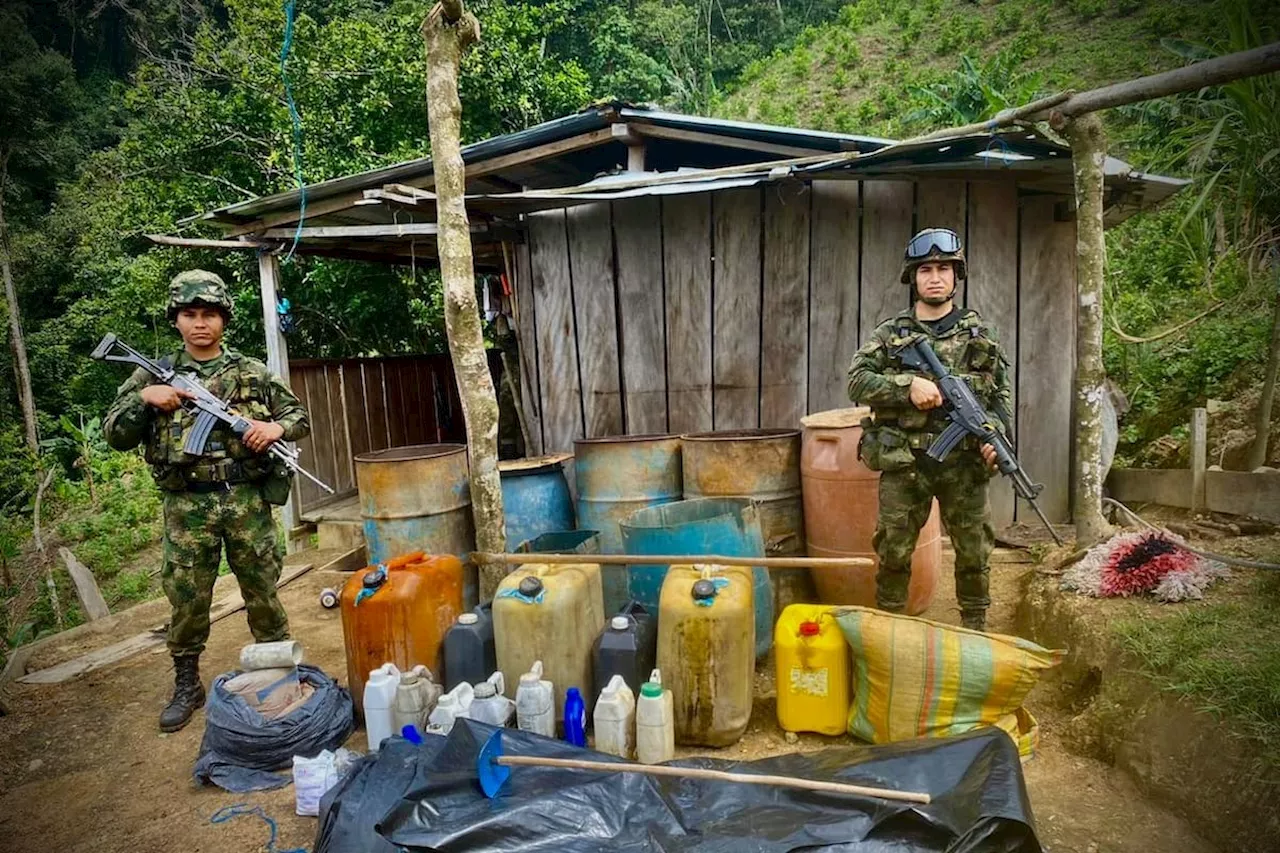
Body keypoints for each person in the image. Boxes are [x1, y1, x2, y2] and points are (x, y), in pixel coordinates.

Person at [103, 270, 310, 731]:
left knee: (262, 591)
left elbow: (297, 416)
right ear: (175, 320)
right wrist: (144, 398)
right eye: (190, 314)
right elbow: (115, 433)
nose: (200, 323)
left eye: (210, 314)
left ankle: (277, 673)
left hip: (245, 500)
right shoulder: (150, 374)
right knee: (187, 597)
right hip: (186, 505)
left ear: (224, 319)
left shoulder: (251, 370)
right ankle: (186, 683)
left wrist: (274, 428)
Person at [846, 228, 1012, 631]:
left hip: (965, 464)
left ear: (957, 276)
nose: (935, 276)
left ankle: (975, 630)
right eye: (926, 269)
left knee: (974, 553)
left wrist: (998, 441)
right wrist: (907, 387)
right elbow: (857, 381)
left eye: (944, 268)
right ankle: (891, 632)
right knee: (894, 551)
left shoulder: (981, 335)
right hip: (906, 462)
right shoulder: (890, 334)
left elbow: (999, 398)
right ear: (913, 277)